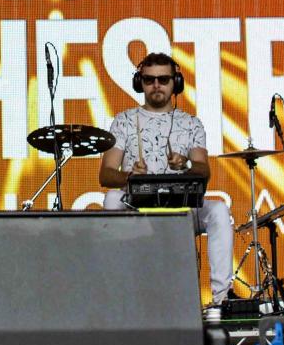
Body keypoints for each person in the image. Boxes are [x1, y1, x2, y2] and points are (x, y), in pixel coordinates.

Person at [99, 53, 234, 305]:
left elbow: (204, 171)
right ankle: (117, 292)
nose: (156, 85)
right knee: (111, 198)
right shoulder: (124, 121)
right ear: (140, 83)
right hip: (137, 207)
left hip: (181, 208)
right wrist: (129, 176)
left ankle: (221, 299)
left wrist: (187, 165)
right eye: (149, 80)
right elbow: (105, 174)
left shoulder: (191, 123)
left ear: (176, 83)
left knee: (218, 211)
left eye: (163, 79)